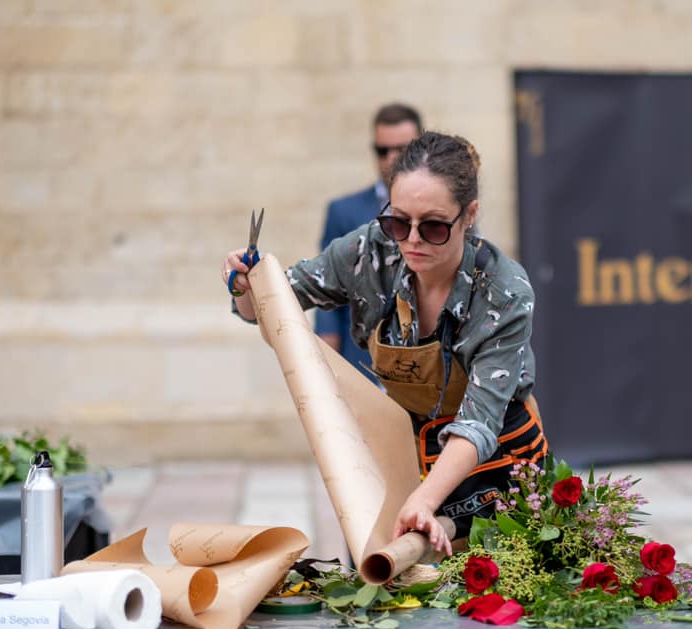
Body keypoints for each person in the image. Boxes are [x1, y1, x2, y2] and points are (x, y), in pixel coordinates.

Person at [223, 132, 548, 556]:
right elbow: (274, 305)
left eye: (432, 226)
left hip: (495, 465)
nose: (411, 239)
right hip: (404, 450)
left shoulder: (503, 291)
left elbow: (478, 424)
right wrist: (245, 288)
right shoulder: (369, 251)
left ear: (469, 216)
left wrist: (425, 501)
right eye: (398, 221)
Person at [316, 103, 423, 379]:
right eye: (383, 150)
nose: (392, 158)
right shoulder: (344, 211)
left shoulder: (446, 210)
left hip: (426, 360)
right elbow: (327, 286)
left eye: (402, 149)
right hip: (364, 361)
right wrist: (326, 356)